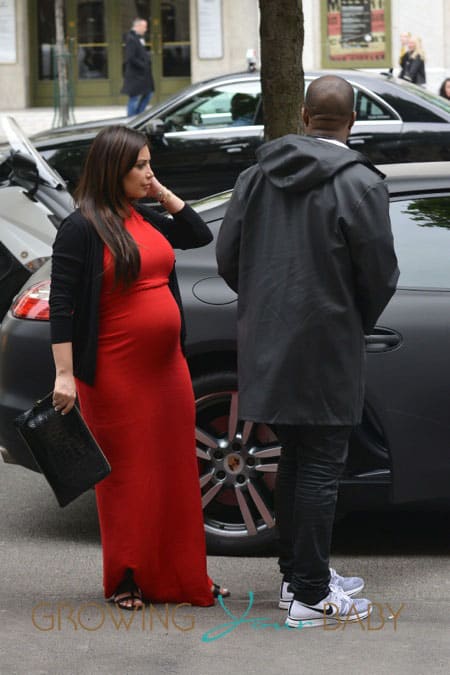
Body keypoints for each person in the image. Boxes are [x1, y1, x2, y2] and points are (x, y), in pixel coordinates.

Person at [216, 75, 399, 629]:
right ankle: (311, 596)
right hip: (327, 347)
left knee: (295, 460)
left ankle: (299, 577)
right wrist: (349, 321)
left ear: (302, 114)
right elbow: (380, 274)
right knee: (320, 466)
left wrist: (269, 311)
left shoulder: (255, 177)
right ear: (353, 120)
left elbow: (229, 258)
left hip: (269, 345)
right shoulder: (362, 184)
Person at [50, 125, 229, 610]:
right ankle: (126, 576)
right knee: (128, 478)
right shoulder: (82, 227)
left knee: (174, 472)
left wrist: (162, 191)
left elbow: (197, 233)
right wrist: (64, 374)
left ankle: (184, 573)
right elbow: (62, 303)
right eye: (141, 166)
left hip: (167, 369)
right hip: (114, 373)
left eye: (151, 164)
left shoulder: (142, 214)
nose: (150, 173)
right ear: (114, 170)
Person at [122, 18, 154, 117]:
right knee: (135, 98)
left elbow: (139, 53)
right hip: (136, 75)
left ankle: (139, 116)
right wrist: (143, 65)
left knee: (148, 94)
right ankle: (132, 119)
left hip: (142, 75)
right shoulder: (131, 38)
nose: (146, 29)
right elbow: (130, 57)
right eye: (144, 27)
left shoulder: (137, 37)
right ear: (138, 26)